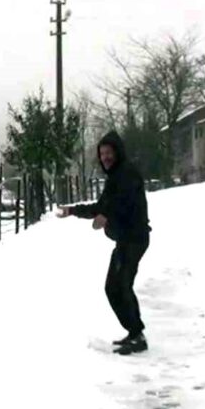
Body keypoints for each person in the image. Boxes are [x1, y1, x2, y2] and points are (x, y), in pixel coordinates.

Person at [56, 130, 151, 355]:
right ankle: (134, 332)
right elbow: (102, 206)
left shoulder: (127, 174)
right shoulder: (115, 177)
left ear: (117, 152)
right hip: (125, 240)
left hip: (134, 239)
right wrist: (73, 211)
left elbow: (125, 202)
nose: (105, 157)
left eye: (108, 152)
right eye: (102, 154)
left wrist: (108, 216)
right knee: (113, 287)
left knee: (121, 286)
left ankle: (137, 335)